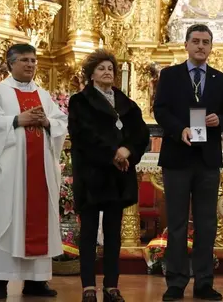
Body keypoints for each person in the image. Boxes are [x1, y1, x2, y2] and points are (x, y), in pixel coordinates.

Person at [0, 43, 68, 300]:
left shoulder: (43, 95)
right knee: (5, 220)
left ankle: (36, 281)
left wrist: (47, 122)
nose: (31, 64)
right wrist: (17, 120)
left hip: (39, 172)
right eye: (25, 60)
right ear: (11, 63)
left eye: (33, 60)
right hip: (9, 173)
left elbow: (61, 121)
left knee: (39, 222)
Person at [154, 24, 223, 301]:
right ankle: (175, 282)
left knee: (207, 224)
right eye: (196, 41)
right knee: (176, 223)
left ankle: (203, 282)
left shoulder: (220, 79)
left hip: (207, 160)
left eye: (206, 42)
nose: (201, 46)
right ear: (186, 45)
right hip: (177, 157)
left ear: (211, 47)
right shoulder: (170, 75)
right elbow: (160, 110)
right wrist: (180, 130)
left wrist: (218, 121)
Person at [68, 50, 150, 302]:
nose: (107, 72)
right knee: (89, 232)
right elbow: (82, 134)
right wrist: (112, 154)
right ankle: (88, 286)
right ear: (91, 74)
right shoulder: (79, 101)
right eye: (102, 68)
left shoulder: (127, 103)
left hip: (119, 176)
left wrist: (128, 150)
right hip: (93, 174)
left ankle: (112, 285)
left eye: (110, 69)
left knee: (113, 234)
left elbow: (141, 133)